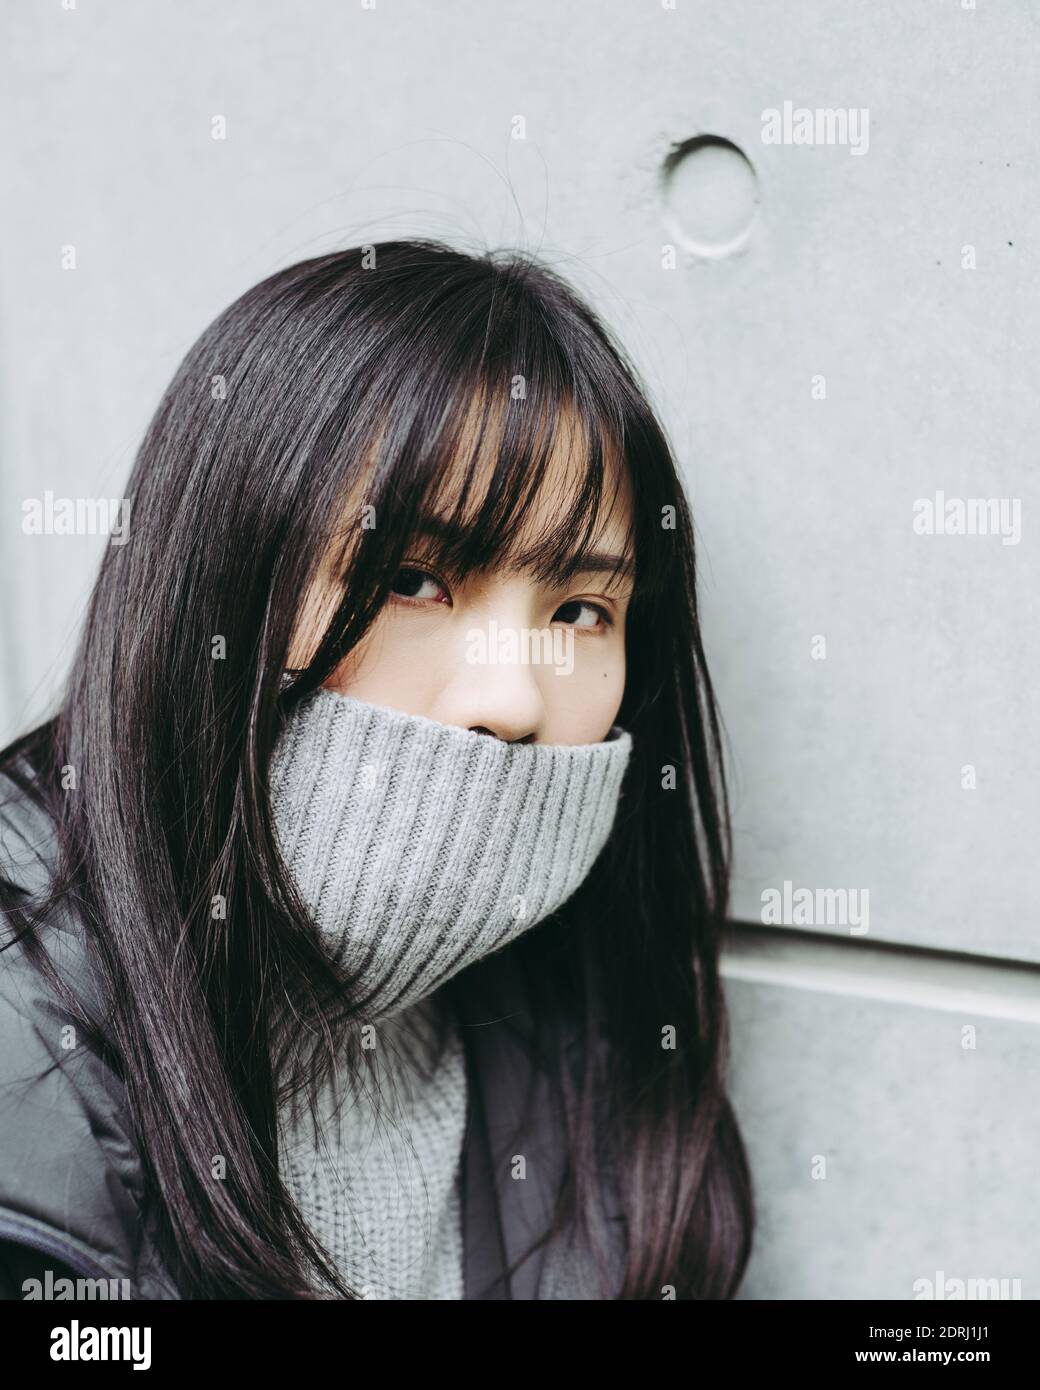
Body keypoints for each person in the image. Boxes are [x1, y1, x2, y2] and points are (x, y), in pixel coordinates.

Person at [0, 238, 752, 1300]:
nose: (510, 699)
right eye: (411, 579)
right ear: (216, 589)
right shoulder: (24, 1041)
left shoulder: (593, 1052)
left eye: (579, 612)